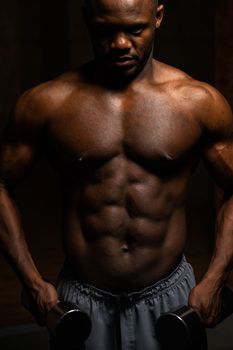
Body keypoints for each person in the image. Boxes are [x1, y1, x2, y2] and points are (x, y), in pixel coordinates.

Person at [0, 0, 232, 349]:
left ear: (158, 17)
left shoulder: (197, 102)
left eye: (135, 29)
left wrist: (215, 279)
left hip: (172, 300)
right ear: (87, 20)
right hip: (80, 302)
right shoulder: (47, 103)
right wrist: (33, 283)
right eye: (106, 31)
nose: (121, 43)